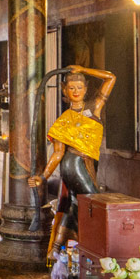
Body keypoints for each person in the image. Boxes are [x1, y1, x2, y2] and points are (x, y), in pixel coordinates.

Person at [27, 65, 117, 250]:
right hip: (73, 163)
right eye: (71, 88)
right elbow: (58, 152)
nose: (75, 91)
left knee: (76, 204)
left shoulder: (94, 107)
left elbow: (110, 77)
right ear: (64, 90)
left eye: (79, 87)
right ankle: (97, 245)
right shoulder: (63, 120)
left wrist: (84, 69)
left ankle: (59, 247)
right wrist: (43, 177)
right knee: (94, 200)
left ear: (85, 89)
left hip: (89, 162)